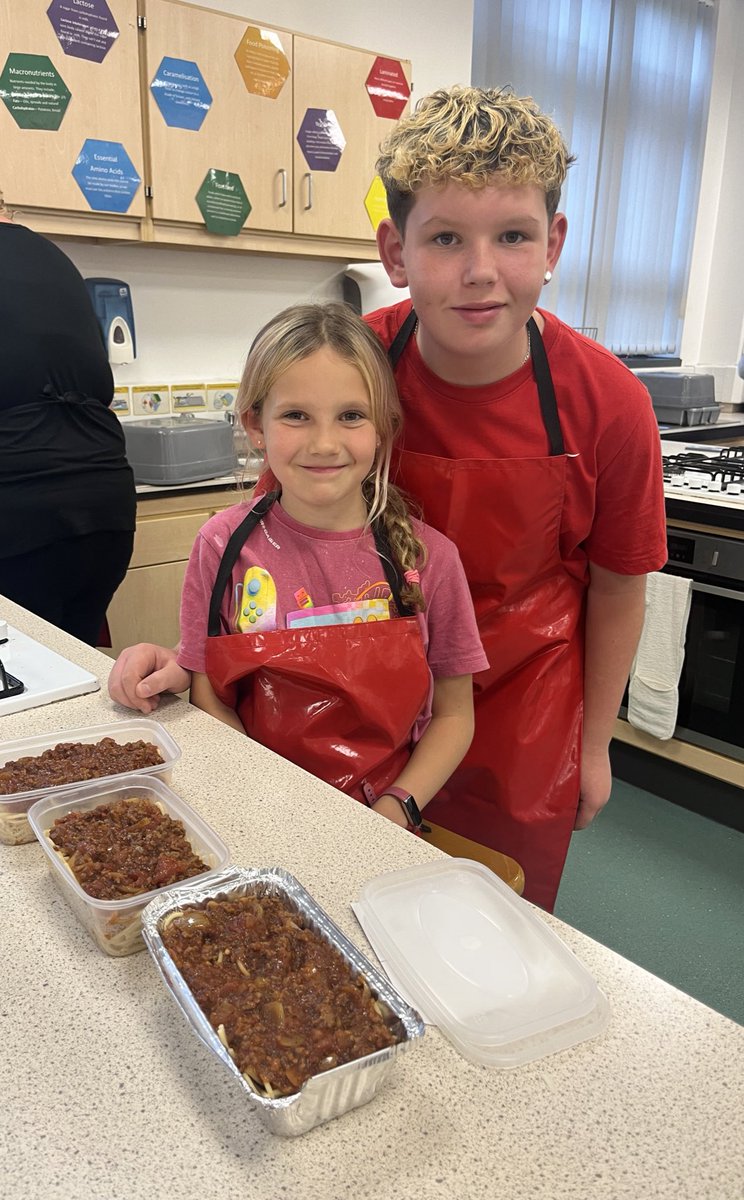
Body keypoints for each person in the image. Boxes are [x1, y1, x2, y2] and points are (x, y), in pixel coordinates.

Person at [108, 87, 667, 908]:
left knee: (486, 923)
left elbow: (619, 586)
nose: (480, 270)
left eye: (512, 236)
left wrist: (593, 745)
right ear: (396, 253)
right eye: (445, 238)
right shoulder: (352, 363)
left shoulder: (611, 405)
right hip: (354, 711)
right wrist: (187, 659)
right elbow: (269, 543)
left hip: (522, 719)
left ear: (552, 243)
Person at [173, 302, 487, 829]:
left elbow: (455, 715)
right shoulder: (221, 544)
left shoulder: (429, 560)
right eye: (296, 415)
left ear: (383, 428)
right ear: (255, 425)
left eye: (351, 415)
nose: (324, 443)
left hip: (382, 816)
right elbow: (207, 691)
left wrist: (396, 808)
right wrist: (261, 795)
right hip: (255, 804)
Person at [0, 197, 136, 645]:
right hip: (106, 509)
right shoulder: (51, 256)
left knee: (26, 679)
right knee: (74, 660)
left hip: (19, 514)